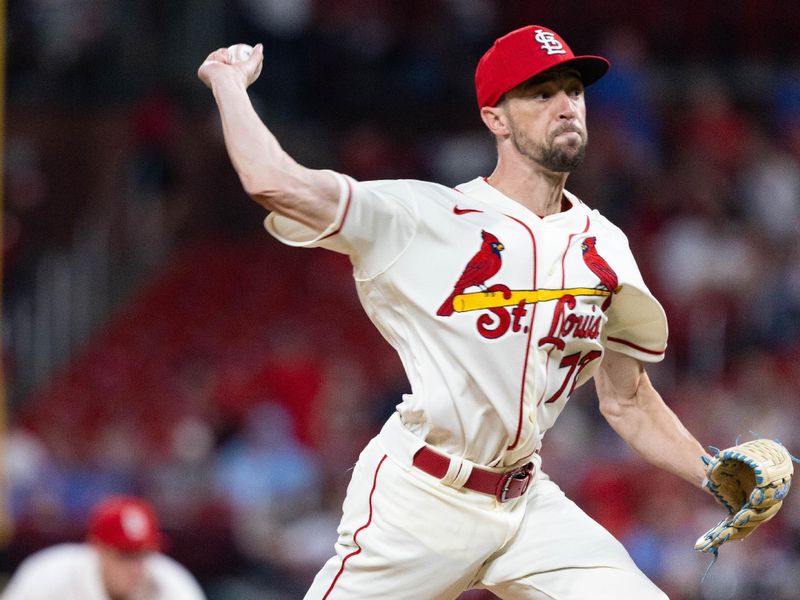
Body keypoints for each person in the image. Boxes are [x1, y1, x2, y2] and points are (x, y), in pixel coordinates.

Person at [197, 25, 709, 599]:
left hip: (527, 504)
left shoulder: (605, 243)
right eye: (541, 94)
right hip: (423, 498)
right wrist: (227, 82)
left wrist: (712, 473)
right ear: (496, 118)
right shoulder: (426, 216)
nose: (567, 106)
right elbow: (274, 182)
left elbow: (628, 399)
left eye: (574, 91)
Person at [1, 496, 206, 600]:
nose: (136, 567)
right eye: (126, 555)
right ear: (97, 548)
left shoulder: (170, 584)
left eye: (143, 555)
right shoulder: (49, 575)